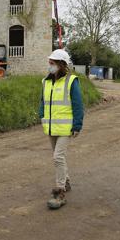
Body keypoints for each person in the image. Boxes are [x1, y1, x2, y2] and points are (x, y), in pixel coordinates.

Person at [38, 49, 84, 210]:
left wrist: (77, 125)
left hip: (65, 127)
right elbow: (42, 101)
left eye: (52, 63)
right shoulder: (46, 81)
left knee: (58, 157)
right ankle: (66, 181)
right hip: (50, 126)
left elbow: (78, 104)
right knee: (58, 157)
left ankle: (60, 191)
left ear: (61, 65)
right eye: (49, 63)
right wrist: (41, 114)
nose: (49, 66)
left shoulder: (71, 81)